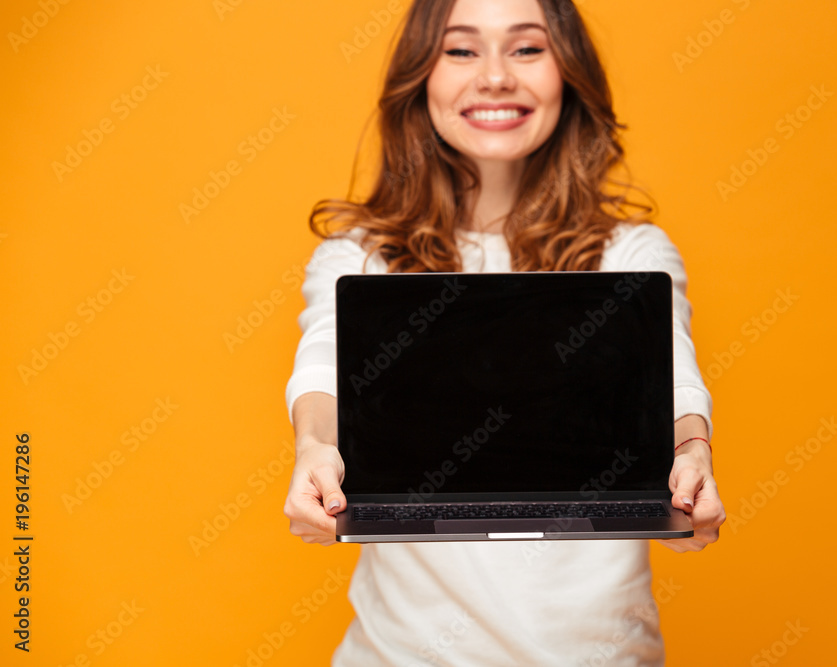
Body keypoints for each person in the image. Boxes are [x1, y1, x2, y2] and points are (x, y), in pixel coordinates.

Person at [283, 0, 725, 663]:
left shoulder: (631, 252)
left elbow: (675, 381)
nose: (494, 77)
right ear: (419, 78)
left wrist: (691, 455)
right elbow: (321, 368)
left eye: (526, 49)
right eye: (461, 50)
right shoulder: (362, 255)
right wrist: (314, 448)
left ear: (568, 73)